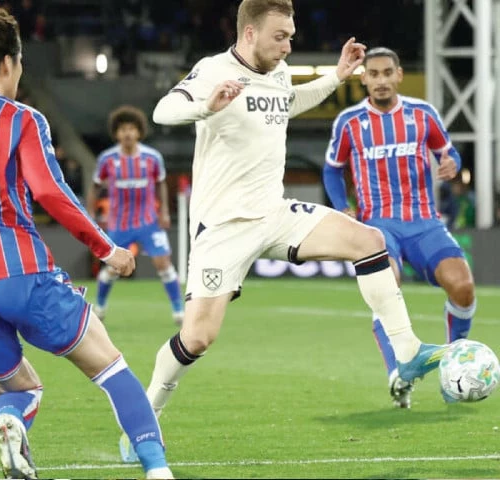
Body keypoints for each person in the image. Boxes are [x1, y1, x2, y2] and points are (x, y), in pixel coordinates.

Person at [118, 0, 447, 462]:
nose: (288, 45)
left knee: (369, 242)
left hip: (274, 213)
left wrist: (336, 78)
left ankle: (407, 352)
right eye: (280, 37)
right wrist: (205, 107)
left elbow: (287, 103)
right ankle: (144, 420)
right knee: (197, 338)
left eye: (290, 36)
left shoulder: (278, 72)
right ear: (250, 33)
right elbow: (162, 111)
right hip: (224, 227)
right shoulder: (214, 70)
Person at [0, 3, 173, 479]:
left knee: (20, 389)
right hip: (22, 273)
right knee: (111, 369)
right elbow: (50, 192)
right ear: (8, 62)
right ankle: (157, 468)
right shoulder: (22, 118)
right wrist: (106, 248)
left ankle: (11, 420)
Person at [323, 46, 476, 408]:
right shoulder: (349, 122)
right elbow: (332, 169)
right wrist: (342, 206)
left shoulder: (423, 114)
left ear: (399, 75)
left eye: (386, 73)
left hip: (424, 222)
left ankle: (453, 365)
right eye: (373, 74)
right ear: (364, 79)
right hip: (377, 226)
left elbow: (448, 152)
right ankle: (398, 374)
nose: (380, 80)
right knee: (385, 286)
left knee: (463, 287)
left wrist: (452, 164)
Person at [86, 105, 184, 325]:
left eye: (132, 129)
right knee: (113, 268)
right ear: (116, 133)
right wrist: (91, 213)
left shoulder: (152, 157)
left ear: (139, 131)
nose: (128, 133)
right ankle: (100, 307)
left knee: (163, 263)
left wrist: (164, 211)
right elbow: (95, 186)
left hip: (149, 221)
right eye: (123, 129)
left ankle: (179, 310)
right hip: (119, 223)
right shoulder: (107, 159)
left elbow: (161, 184)